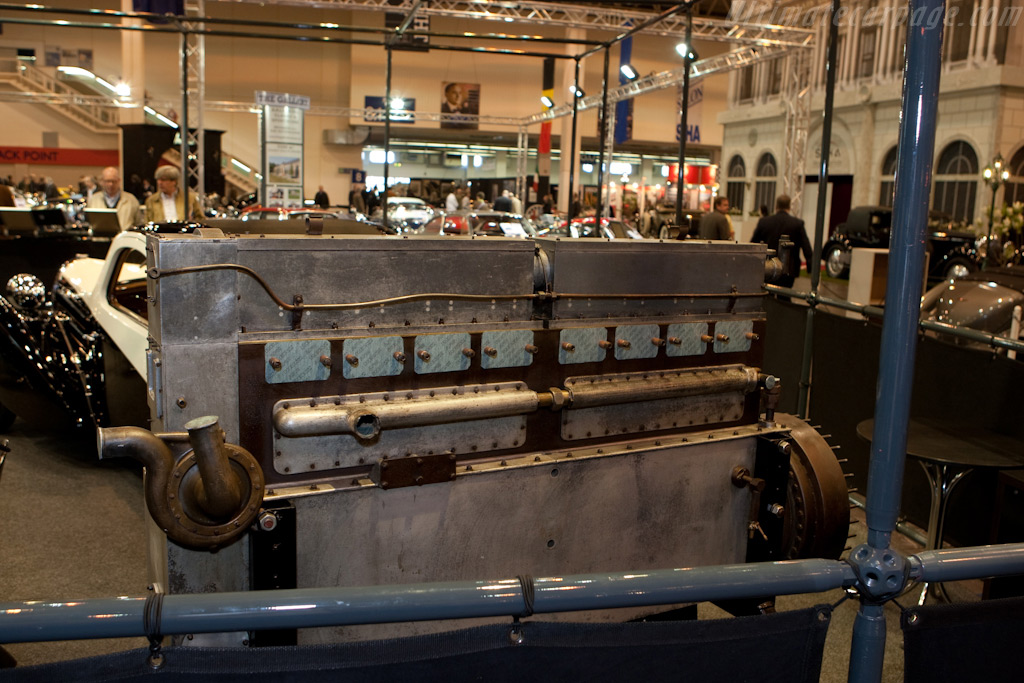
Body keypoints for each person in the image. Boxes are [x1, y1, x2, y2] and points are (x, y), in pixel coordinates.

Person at [750, 194, 813, 288]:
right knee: (785, 296)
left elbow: (753, 243)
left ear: (776, 206)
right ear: (789, 207)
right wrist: (810, 266)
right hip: (789, 269)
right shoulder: (797, 224)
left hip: (768, 267)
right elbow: (806, 247)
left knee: (768, 294)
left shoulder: (764, 222)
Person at [87, 166, 140, 231]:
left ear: (119, 181)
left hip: (123, 239)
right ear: (102, 181)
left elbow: (138, 224)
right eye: (107, 181)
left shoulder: (131, 200)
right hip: (100, 239)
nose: (111, 184)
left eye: (113, 181)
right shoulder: (94, 199)